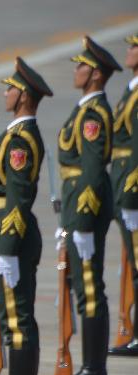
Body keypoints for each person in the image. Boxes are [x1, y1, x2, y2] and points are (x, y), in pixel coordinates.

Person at [0, 58, 53, 375]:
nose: (6, 93)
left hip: (11, 237)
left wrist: (7, 245)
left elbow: (19, 195)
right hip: (0, 233)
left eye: (10, 88)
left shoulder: (21, 139)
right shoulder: (13, 134)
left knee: (18, 322)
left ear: (23, 96)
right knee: (12, 320)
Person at [53, 36, 121, 375]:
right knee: (84, 286)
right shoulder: (85, 110)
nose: (76, 71)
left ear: (95, 75)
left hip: (87, 212)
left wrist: (80, 221)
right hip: (80, 209)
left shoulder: (93, 114)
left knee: (90, 288)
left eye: (82, 66)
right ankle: (91, 367)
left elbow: (94, 171)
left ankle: (94, 370)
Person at [108, 33, 138, 357]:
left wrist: (131, 190)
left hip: (133, 189)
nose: (129, 51)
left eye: (134, 46)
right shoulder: (130, 92)